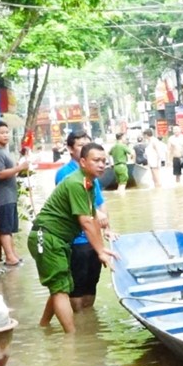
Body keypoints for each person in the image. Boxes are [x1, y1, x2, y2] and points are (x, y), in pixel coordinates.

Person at [28, 142, 117, 333]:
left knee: (61, 286)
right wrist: (100, 251)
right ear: (83, 162)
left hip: (58, 239)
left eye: (104, 161)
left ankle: (43, 327)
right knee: (60, 289)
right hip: (47, 236)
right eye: (96, 160)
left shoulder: (89, 183)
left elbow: (93, 218)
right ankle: (72, 339)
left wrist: (103, 242)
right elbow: (85, 222)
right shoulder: (76, 183)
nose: (101, 165)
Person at [55, 130, 113, 312]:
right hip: (75, 238)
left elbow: (100, 202)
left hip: (93, 238)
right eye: (80, 145)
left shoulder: (93, 174)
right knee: (76, 286)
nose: (100, 164)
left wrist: (107, 229)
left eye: (102, 161)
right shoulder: (66, 174)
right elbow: (80, 208)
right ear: (71, 150)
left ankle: (88, 324)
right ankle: (78, 324)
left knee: (91, 283)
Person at [0, 120, 30, 266]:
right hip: (3, 196)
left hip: (10, 195)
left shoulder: (4, 151)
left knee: (10, 228)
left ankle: (13, 254)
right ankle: (9, 257)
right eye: (2, 133)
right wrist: (19, 168)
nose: (6, 135)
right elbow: (0, 174)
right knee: (5, 228)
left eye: (7, 132)